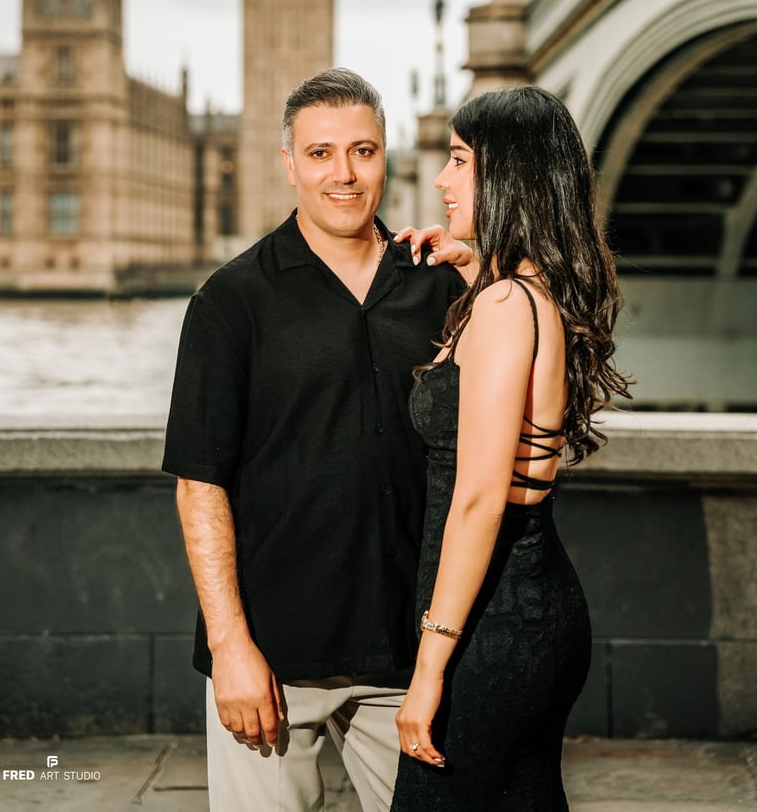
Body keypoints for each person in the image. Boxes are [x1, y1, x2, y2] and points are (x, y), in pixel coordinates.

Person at [161, 68, 466, 812]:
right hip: (273, 654)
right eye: (321, 153)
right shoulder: (232, 299)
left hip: (410, 651)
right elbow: (200, 482)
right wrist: (231, 646)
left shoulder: (440, 285)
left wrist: (483, 267)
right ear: (290, 164)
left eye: (362, 151)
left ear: (386, 157)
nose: (344, 173)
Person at [390, 86, 632, 812]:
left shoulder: (503, 307)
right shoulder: (526, 293)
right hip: (525, 608)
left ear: (510, 178)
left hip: (493, 624)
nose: (441, 180)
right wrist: (471, 260)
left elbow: (477, 500)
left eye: (460, 161)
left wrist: (430, 667)